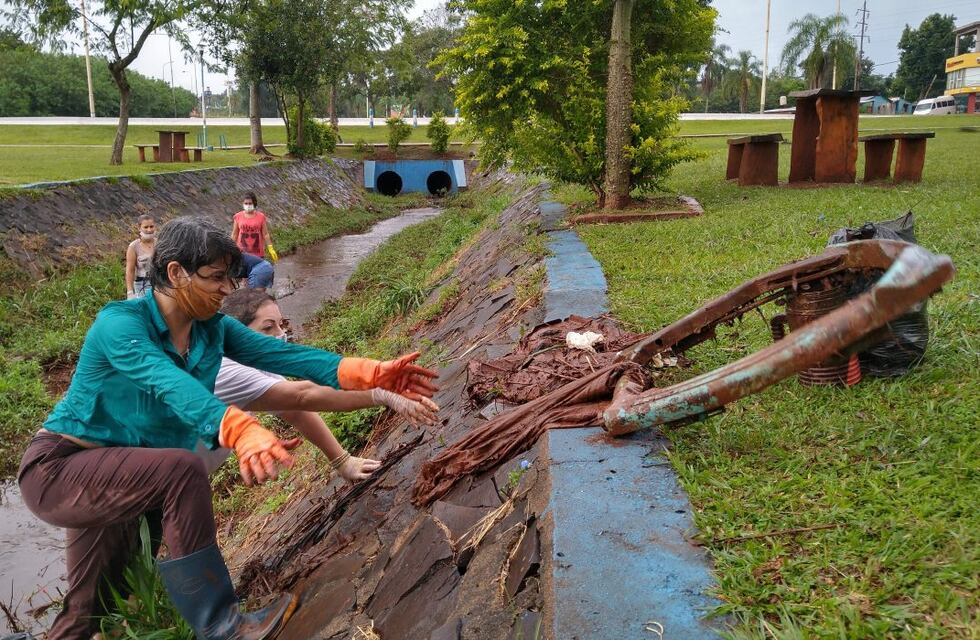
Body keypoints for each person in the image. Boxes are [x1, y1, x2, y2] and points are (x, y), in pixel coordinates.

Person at [15, 217, 438, 640]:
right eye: (215, 277)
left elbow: (288, 358)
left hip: (127, 474)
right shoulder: (121, 325)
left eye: (230, 278)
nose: (227, 290)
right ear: (176, 272)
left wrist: (372, 373)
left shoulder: (212, 329)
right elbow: (167, 382)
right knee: (181, 471)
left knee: (92, 612)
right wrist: (239, 428)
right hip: (60, 470)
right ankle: (224, 626)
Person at [204, 287, 439, 479]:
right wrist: (382, 394)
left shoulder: (255, 363)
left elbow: (294, 410)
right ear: (237, 334)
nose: (279, 334)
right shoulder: (226, 368)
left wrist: (342, 461)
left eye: (281, 324)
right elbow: (303, 395)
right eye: (268, 327)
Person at [232, 192, 278, 262]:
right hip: (242, 254)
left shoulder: (261, 217)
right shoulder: (238, 216)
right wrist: (230, 249)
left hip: (258, 254)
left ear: (254, 203)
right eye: (246, 203)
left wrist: (271, 248)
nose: (248, 205)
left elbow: (265, 234)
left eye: (250, 203)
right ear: (243, 204)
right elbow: (234, 234)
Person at [125, 214, 156, 299]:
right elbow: (130, 270)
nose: (149, 230)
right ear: (139, 228)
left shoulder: (160, 244)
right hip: (142, 285)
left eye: (151, 226)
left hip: (159, 284)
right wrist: (130, 292)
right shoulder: (133, 247)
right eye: (146, 227)